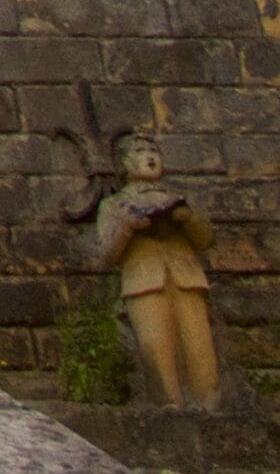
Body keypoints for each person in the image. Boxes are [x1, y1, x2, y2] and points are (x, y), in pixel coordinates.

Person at [95, 134, 225, 409]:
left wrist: (188, 219)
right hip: (144, 282)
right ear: (125, 164)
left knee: (200, 348)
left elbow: (205, 240)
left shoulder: (180, 199)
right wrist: (127, 227)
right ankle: (168, 406)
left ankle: (209, 406)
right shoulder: (115, 204)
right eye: (140, 152)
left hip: (187, 278)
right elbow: (108, 254)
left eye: (153, 150)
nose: (150, 156)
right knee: (157, 347)